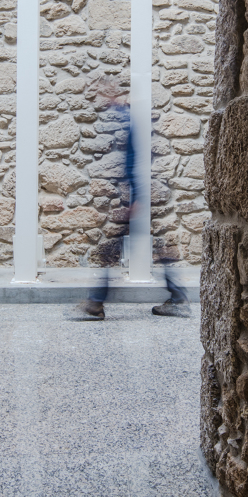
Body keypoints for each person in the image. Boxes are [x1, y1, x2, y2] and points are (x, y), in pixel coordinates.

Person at [75, 78, 190, 319]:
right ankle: (177, 297)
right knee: (150, 246)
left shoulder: (134, 120)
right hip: (137, 194)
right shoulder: (131, 117)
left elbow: (137, 160)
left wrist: (137, 198)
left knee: (114, 248)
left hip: (138, 194)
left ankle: (96, 303)